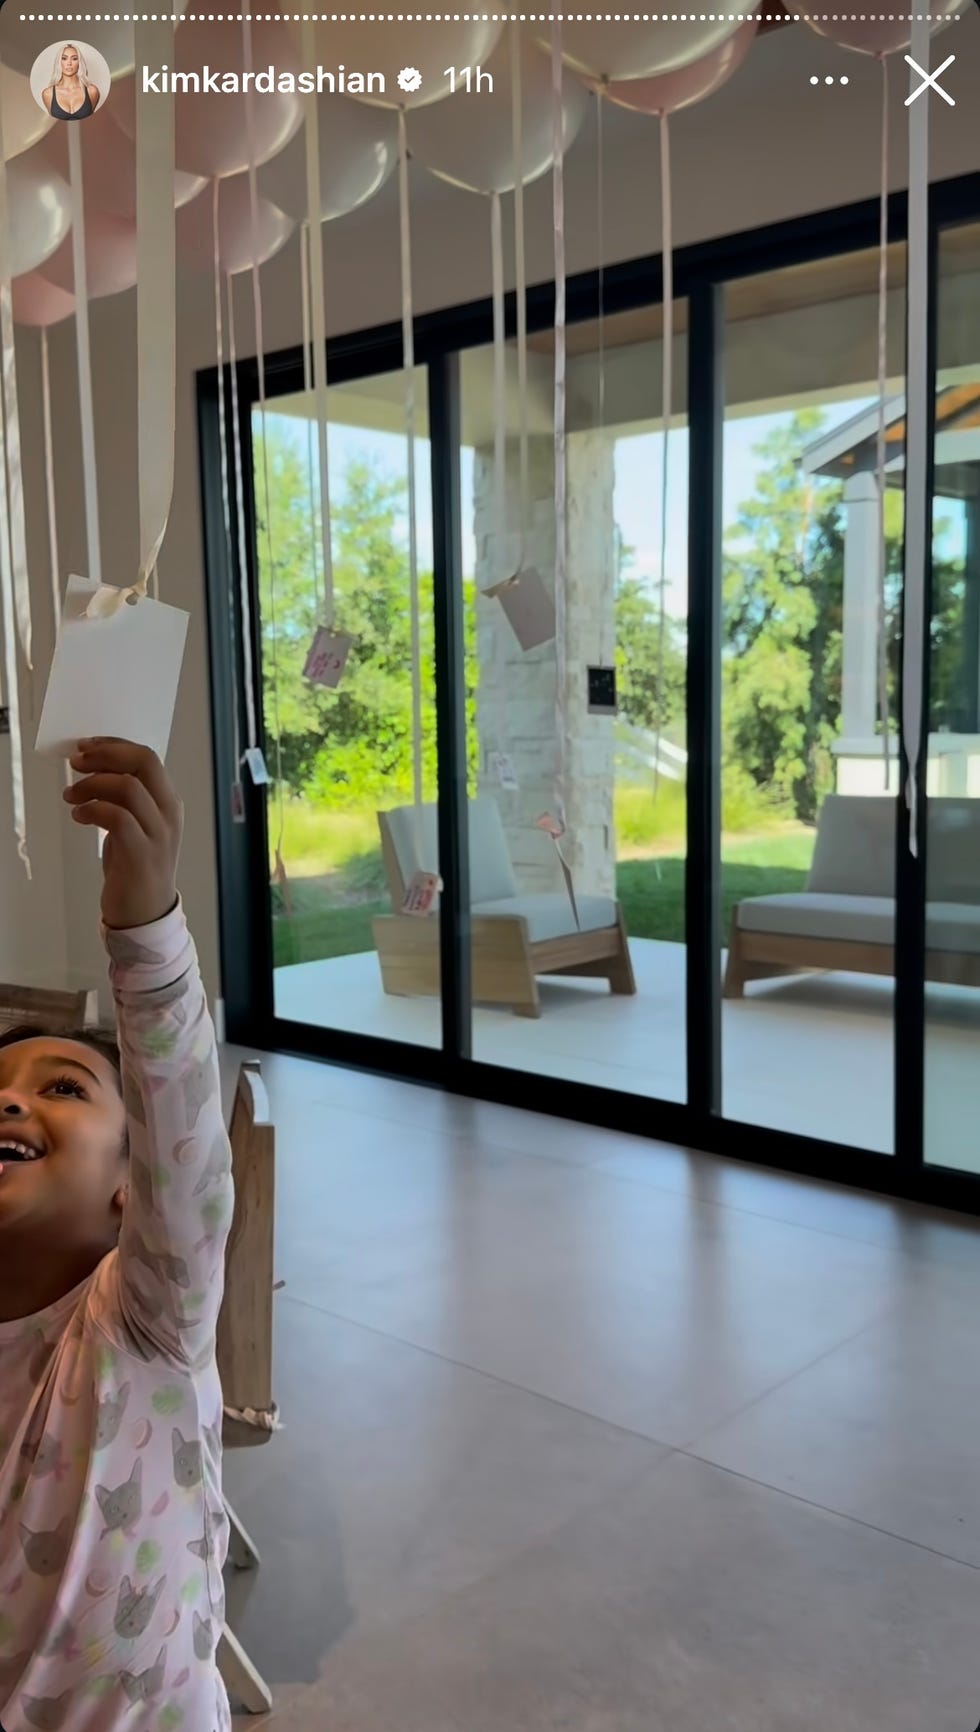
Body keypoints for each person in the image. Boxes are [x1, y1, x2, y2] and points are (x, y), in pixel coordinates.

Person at [0, 739, 233, 1730]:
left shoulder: (138, 1322)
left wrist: (143, 924)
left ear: (129, 1193)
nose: (11, 1102)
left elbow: (179, 1120)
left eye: (61, 1088)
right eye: (1, 1088)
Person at [41, 43, 100, 120]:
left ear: (79, 63)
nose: (69, 63)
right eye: (64, 58)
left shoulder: (92, 91)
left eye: (74, 58)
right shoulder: (48, 94)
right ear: (59, 62)